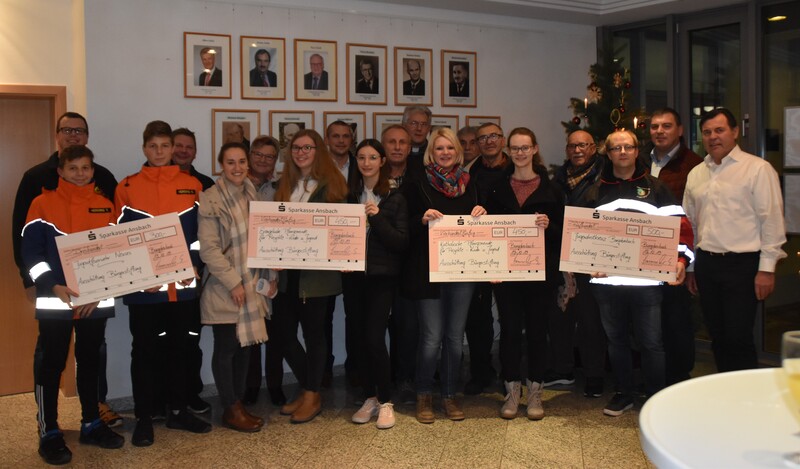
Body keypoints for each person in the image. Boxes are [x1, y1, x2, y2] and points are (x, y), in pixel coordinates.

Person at [12, 112, 122, 429]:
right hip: (55, 298)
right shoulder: (41, 202)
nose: (80, 173)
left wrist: (100, 290)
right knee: (51, 363)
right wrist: (48, 284)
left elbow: (115, 252)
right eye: (73, 168)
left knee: (90, 362)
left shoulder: (106, 205)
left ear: (93, 171)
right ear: (60, 170)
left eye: (85, 168)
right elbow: (30, 251)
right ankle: (48, 429)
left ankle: (92, 423)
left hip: (95, 300)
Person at [583, 130, 693, 417]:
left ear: (636, 151)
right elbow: (581, 237)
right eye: (616, 148)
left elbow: (681, 229)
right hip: (607, 284)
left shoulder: (657, 189)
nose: (622, 152)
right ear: (608, 154)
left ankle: (655, 395)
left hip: (648, 283)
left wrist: (681, 260)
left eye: (628, 147)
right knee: (616, 341)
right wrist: (586, 262)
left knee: (651, 342)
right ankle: (623, 393)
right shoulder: (594, 192)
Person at [115, 121, 211, 447]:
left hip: (183, 287)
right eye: (153, 146)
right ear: (144, 148)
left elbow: (200, 235)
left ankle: (179, 411)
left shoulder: (192, 185)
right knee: (144, 352)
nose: (159, 152)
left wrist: (195, 264)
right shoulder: (127, 186)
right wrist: (138, 273)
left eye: (164, 146)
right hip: (144, 291)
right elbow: (117, 239)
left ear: (172, 149)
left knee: (182, 350)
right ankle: (144, 417)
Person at [684, 108, 787, 372]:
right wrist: (692, 267)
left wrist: (766, 269)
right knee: (717, 336)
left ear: (735, 132)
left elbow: (772, 221)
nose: (713, 137)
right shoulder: (696, 173)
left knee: (738, 337)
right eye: (707, 132)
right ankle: (725, 386)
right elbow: (690, 224)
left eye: (719, 130)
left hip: (743, 266)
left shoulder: (757, 169)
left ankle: (746, 391)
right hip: (707, 265)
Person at [403, 127, 485, 423]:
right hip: (428, 272)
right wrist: (420, 219)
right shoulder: (416, 184)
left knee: (454, 337)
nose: (445, 153)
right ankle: (424, 394)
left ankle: (449, 395)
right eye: (439, 148)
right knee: (431, 337)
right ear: (431, 153)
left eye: (450, 148)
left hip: (462, 272)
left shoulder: (471, 185)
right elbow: (404, 226)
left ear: (458, 152)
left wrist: (482, 214)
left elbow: (481, 230)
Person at [485, 128, 564, 420]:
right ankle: (511, 390)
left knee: (537, 333)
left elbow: (564, 234)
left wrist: (549, 226)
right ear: (508, 150)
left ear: (534, 149)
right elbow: (486, 231)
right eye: (515, 148)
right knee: (509, 331)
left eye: (525, 148)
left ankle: (535, 392)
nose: (520, 153)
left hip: (540, 275)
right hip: (506, 274)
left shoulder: (552, 189)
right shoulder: (496, 188)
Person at [273, 129, 348, 423]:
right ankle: (309, 388)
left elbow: (340, 230)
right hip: (287, 275)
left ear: (318, 151)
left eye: (307, 147)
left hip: (316, 276)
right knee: (282, 334)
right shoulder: (285, 185)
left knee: (314, 336)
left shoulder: (332, 185)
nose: (301, 153)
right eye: (296, 148)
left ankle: (312, 394)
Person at [198, 142, 271, 433]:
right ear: (221, 166)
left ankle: (237, 404)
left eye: (241, 161)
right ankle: (230, 407)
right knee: (227, 348)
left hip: (251, 282)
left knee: (245, 349)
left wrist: (269, 276)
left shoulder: (252, 194)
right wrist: (234, 283)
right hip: (224, 286)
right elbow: (209, 250)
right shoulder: (211, 199)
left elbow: (262, 239)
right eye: (230, 162)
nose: (237, 168)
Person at [348, 139, 409, 429]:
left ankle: (385, 401)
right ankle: (369, 397)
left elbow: (401, 242)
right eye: (361, 157)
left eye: (372, 157)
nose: (366, 163)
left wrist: (377, 218)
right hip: (353, 277)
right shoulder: (349, 197)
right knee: (359, 340)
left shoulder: (395, 198)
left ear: (382, 161)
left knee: (374, 338)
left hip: (382, 279)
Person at [639, 108, 703, 385]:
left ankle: (678, 378)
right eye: (655, 126)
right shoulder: (640, 161)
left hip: (676, 255)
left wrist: (689, 264)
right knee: (649, 320)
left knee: (676, 319)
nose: (659, 131)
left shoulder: (695, 166)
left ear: (680, 130)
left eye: (666, 126)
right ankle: (653, 377)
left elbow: (694, 217)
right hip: (643, 253)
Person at [548, 129, 607, 398]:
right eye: (572, 146)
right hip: (562, 256)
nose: (577, 150)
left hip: (591, 258)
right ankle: (563, 369)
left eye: (583, 145)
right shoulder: (558, 179)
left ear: (594, 148)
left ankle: (594, 375)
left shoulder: (605, 177)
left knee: (590, 319)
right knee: (560, 315)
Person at [461, 122, 512, 395]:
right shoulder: (468, 175)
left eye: (494, 136)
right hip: (478, 252)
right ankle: (481, 373)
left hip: (512, 252)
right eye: (482, 138)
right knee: (477, 317)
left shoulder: (518, 169)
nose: (488, 141)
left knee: (510, 316)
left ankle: (510, 376)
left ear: (502, 140)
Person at [170, 128, 213, 416]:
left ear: (195, 152)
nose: (183, 151)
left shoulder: (205, 184)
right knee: (161, 342)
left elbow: (208, 233)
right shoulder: (142, 184)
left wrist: (196, 265)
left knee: (191, 339)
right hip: (158, 282)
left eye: (189, 147)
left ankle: (191, 394)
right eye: (178, 145)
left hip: (194, 277)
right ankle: (165, 398)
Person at [242, 136, 285, 406]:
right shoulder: (237, 185)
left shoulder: (281, 188)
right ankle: (251, 386)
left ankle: (275, 385)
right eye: (258, 154)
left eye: (269, 156)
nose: (263, 160)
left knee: (274, 333)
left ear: (275, 160)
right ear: (250, 155)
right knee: (251, 333)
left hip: (273, 270)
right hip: (245, 270)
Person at [380, 124, 418, 404]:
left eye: (402, 142)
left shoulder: (420, 177)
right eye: (391, 142)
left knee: (407, 325)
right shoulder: (371, 173)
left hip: (410, 263)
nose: (397, 147)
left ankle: (405, 379)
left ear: (409, 146)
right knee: (375, 325)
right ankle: (378, 379)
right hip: (378, 262)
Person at [324, 120, 359, 387]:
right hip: (323, 250)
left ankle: (354, 369)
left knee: (354, 314)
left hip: (353, 249)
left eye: (345, 136)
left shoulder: (361, 165)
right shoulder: (317, 168)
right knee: (322, 317)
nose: (340, 140)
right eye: (335, 136)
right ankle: (323, 370)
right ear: (327, 139)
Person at [402, 105, 432, 175]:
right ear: (404, 125)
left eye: (424, 124)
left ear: (429, 128)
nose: (419, 128)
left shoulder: (434, 154)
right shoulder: (396, 153)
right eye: (414, 123)